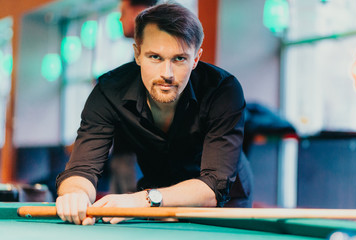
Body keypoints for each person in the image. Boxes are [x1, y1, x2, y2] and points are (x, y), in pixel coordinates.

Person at [55, 3, 253, 226]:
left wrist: (143, 200)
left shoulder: (223, 91)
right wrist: (76, 194)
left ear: (196, 59)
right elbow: (82, 169)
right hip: (157, 195)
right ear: (137, 54)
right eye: (155, 57)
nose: (166, 74)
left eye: (179, 59)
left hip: (221, 201)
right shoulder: (109, 91)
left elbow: (211, 187)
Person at [109, 0, 159, 196]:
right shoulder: (139, 55)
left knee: (136, 213)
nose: (120, 18)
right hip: (124, 152)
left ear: (139, 12)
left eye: (123, 12)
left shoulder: (155, 55)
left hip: (139, 154)